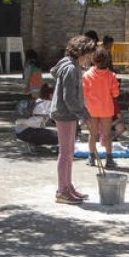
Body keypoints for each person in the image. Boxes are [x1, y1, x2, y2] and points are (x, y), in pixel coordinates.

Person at [51, 35, 97, 204]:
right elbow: (69, 98)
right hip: (65, 114)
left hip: (67, 113)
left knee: (69, 152)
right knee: (65, 153)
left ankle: (67, 186)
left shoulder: (71, 65)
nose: (90, 60)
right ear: (81, 52)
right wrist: (84, 115)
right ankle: (62, 191)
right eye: (89, 55)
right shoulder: (70, 68)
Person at [83, 47, 120, 169]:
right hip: (106, 109)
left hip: (91, 110)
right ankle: (109, 159)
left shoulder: (87, 75)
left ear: (93, 60)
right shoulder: (111, 76)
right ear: (107, 60)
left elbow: (83, 93)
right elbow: (115, 94)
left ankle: (91, 157)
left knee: (92, 134)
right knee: (107, 135)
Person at [15, 83, 58, 150]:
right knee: (59, 137)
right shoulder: (48, 104)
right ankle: (34, 143)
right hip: (29, 132)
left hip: (19, 131)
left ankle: (34, 144)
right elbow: (56, 118)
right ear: (51, 95)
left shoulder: (38, 101)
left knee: (47, 132)